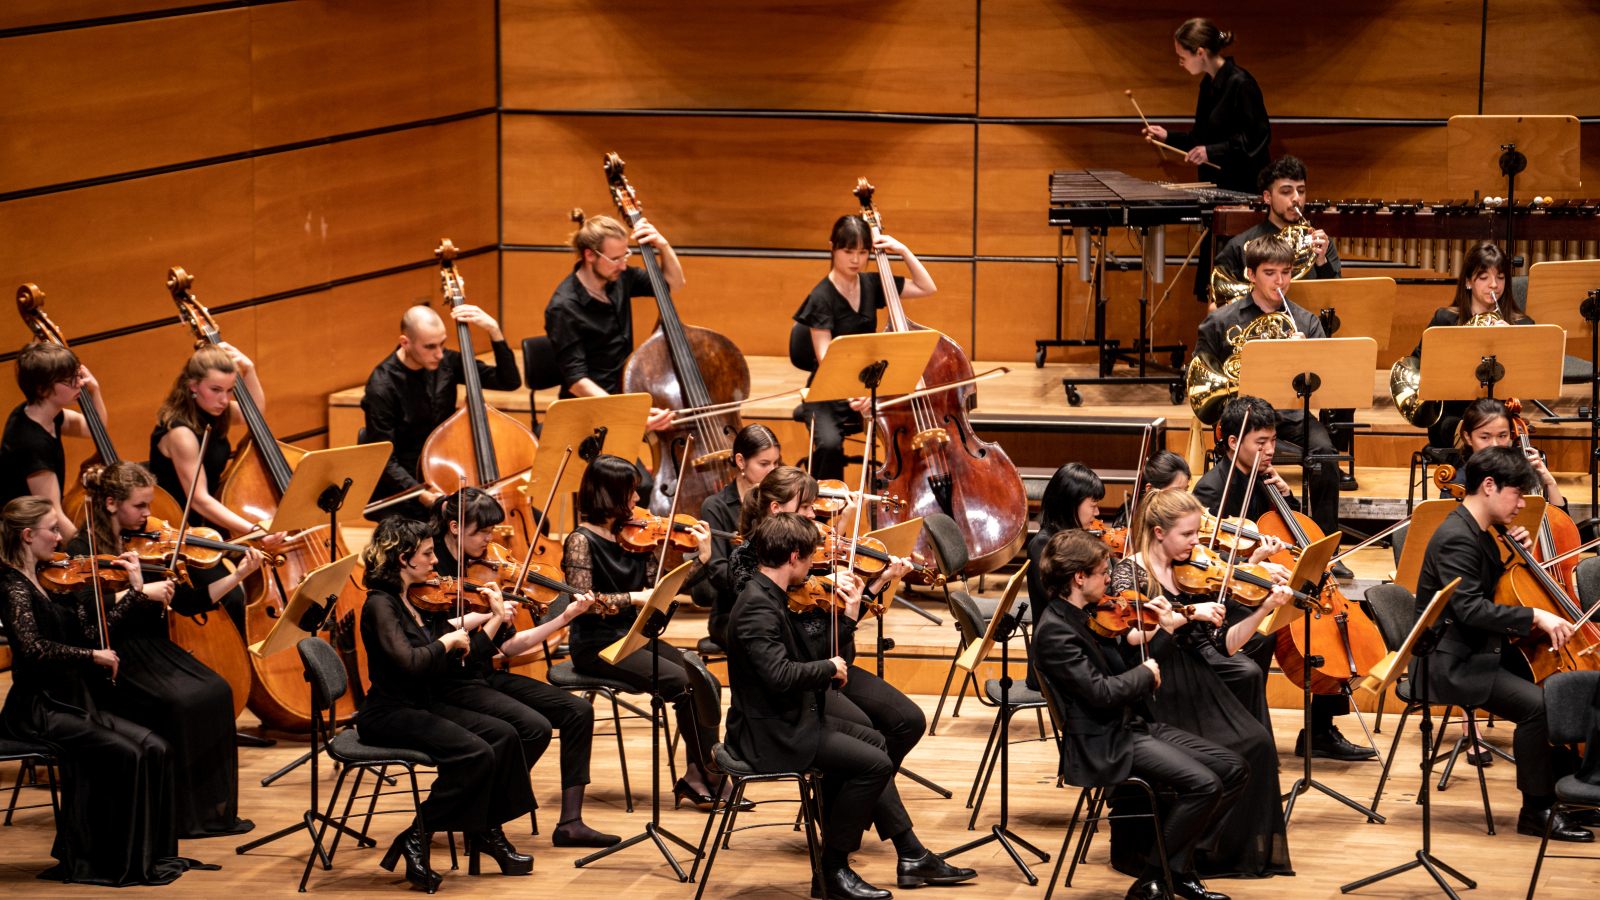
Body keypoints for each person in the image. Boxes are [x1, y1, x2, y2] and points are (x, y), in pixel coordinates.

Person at [726, 512, 975, 900]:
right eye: (809, 558)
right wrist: (829, 667)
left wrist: (851, 616)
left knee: (876, 742)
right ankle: (833, 869)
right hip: (771, 733)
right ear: (793, 556)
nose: (813, 566)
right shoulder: (757, 606)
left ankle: (849, 855)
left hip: (791, 715)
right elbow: (778, 675)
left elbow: (808, 651)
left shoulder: (769, 595)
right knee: (874, 764)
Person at [0, 496, 217, 885]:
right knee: (128, 754)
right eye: (53, 529)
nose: (61, 537)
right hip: (41, 707)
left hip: (75, 700)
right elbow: (31, 649)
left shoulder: (55, 577)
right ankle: (108, 860)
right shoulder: (12, 586)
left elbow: (94, 630)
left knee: (157, 747)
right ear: (28, 535)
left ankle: (153, 854)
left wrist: (135, 592)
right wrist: (91, 656)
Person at [1033, 528, 1249, 900]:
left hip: (1130, 725)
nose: (1109, 579)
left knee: (1234, 768)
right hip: (1103, 741)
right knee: (1205, 784)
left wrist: (1165, 631)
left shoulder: (1085, 614)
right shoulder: (1056, 631)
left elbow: (1130, 664)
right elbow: (1102, 693)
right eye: (1102, 572)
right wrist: (1145, 675)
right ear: (1078, 577)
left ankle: (1171, 869)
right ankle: (1156, 878)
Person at [719, 467, 924, 822]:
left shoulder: (807, 556)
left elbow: (831, 627)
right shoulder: (760, 569)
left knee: (908, 720)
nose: (816, 515)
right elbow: (795, 645)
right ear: (776, 511)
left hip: (826, 664)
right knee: (868, 741)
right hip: (802, 678)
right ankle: (865, 825)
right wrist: (827, 588)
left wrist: (873, 587)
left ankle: (845, 805)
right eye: (807, 507)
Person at [1109, 489, 1293, 880]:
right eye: (1188, 534)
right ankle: (1182, 853)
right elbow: (1130, 639)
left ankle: (1216, 851)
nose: (1198, 542)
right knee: (1224, 754)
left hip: (1196, 677)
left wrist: (1263, 608)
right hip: (1155, 684)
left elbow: (1225, 644)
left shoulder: (1192, 572)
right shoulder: (1128, 572)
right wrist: (1187, 612)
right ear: (1159, 532)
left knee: (1258, 743)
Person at [1412, 445, 1592, 843]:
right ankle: (1537, 809)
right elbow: (1470, 609)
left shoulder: (1481, 532)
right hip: (1451, 660)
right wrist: (1535, 616)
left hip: (1478, 647)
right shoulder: (1456, 537)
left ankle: (1569, 791)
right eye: (1517, 493)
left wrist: (1516, 555)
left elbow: (1487, 590)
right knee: (1539, 707)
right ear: (1489, 486)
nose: (1522, 503)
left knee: (1561, 690)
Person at [72, 462, 260, 838]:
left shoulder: (149, 542)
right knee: (183, 703)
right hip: (117, 655)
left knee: (218, 690)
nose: (148, 514)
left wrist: (237, 575)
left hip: (156, 647)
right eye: (140, 506)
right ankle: (176, 813)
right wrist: (139, 592)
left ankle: (209, 810)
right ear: (110, 503)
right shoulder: (83, 548)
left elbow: (189, 602)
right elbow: (85, 615)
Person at [426, 488, 615, 847]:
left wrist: (565, 617)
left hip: (482, 674)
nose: (489, 540)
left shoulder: (485, 572)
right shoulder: (430, 568)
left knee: (578, 710)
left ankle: (570, 823)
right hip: (447, 683)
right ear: (454, 527)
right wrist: (487, 615)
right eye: (481, 532)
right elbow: (430, 638)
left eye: (492, 531)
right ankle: (482, 815)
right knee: (534, 728)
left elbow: (509, 647)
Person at [357, 515, 536, 891]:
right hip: (389, 711)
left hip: (422, 701)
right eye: (427, 553)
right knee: (475, 755)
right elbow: (411, 663)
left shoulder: (414, 600)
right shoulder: (380, 606)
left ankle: (486, 832)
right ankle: (415, 837)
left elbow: (458, 662)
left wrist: (491, 620)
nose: (436, 560)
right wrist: (447, 641)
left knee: (504, 735)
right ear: (404, 559)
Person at [1193, 396, 1374, 759]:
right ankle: (1246, 732)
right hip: (1236, 593)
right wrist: (1256, 565)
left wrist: (1287, 500)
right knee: (1264, 637)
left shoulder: (1264, 480)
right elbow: (1207, 557)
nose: (1271, 450)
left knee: (1327, 625)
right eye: (1261, 442)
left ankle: (1320, 732)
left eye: (1273, 441)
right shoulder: (1213, 489)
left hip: (1269, 584)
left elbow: (1293, 536)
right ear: (1232, 443)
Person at [560, 453, 724, 806]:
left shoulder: (635, 534)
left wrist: (701, 560)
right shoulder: (580, 540)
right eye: (630, 493)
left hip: (636, 639)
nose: (637, 500)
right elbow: (582, 602)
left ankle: (699, 772)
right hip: (598, 645)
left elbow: (660, 589)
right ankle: (709, 771)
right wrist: (634, 598)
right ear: (607, 495)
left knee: (704, 679)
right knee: (683, 684)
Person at [1194, 235, 1344, 545]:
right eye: (1270, 273)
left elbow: (1325, 379)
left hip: (1289, 411)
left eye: (1286, 272)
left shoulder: (1306, 321)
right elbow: (1202, 370)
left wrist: (1304, 359)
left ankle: (1323, 541)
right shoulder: (1221, 321)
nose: (1280, 281)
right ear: (1250, 274)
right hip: (1243, 414)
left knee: (1327, 454)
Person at [148, 344, 283, 635]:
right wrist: (257, 530)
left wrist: (250, 370)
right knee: (232, 596)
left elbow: (253, 415)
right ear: (193, 386)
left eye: (230, 390)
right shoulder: (181, 433)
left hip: (206, 528)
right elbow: (199, 500)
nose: (224, 400)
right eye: (216, 389)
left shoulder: (213, 412)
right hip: (178, 534)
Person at [792, 214, 936, 481]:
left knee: (908, 418)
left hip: (869, 384)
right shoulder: (821, 296)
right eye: (848, 251)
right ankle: (826, 508)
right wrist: (853, 392)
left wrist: (902, 249)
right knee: (830, 446)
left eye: (862, 252)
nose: (856, 260)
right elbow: (827, 359)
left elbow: (927, 287)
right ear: (832, 248)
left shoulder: (871, 284)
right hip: (829, 389)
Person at [361, 302, 521, 521]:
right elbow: (385, 460)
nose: (439, 354)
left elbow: (509, 381)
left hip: (447, 474)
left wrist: (494, 330)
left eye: (442, 344)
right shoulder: (381, 387)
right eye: (429, 347)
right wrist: (423, 495)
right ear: (405, 343)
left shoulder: (446, 363)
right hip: (406, 489)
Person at [544, 212, 682, 425]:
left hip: (624, 394)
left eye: (625, 256)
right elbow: (577, 382)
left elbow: (674, 283)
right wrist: (627, 413)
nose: (623, 266)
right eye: (615, 259)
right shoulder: (563, 307)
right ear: (589, 255)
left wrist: (662, 245)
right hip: (590, 410)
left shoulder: (619, 278)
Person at [1414, 242, 1533, 448]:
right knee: (1472, 432)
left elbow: (1529, 378)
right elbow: (1417, 367)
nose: (1494, 285)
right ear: (1468, 281)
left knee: (1498, 432)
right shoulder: (1445, 321)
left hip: (1500, 416)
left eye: (1500, 277)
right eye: (1484, 277)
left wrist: (1512, 341)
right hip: (1453, 415)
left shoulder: (1522, 325)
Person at [1140, 18, 1270, 197]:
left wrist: (1211, 152)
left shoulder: (1241, 83)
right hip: (1217, 188)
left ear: (1200, 53)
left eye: (1182, 57)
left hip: (1244, 189)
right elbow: (1199, 139)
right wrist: (1166, 136)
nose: (1180, 63)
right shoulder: (1208, 85)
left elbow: (1256, 138)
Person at [0, 342, 109, 540]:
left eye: (77, 376)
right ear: (42, 390)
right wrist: (88, 551)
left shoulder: (40, 413)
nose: (79, 384)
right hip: (21, 540)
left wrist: (95, 390)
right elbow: (53, 514)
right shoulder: (31, 443)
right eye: (69, 380)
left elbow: (93, 428)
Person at [691, 423, 784, 649]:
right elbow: (719, 572)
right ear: (741, 461)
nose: (772, 471)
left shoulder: (781, 502)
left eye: (776, 463)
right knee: (771, 638)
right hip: (733, 611)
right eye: (764, 464)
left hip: (779, 606)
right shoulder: (716, 506)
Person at [1024, 462, 1105, 691]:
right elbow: (1064, 604)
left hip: (1077, 643)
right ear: (1072, 503)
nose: (1097, 513)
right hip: (1057, 657)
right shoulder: (1043, 546)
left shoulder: (1073, 539)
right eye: (1094, 505)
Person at [1213, 156, 1339, 284]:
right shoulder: (1239, 246)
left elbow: (1338, 296)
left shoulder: (1322, 245)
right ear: (1268, 197)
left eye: (1301, 191)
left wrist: (1322, 261)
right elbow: (1218, 302)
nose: (1296, 198)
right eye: (1286, 192)